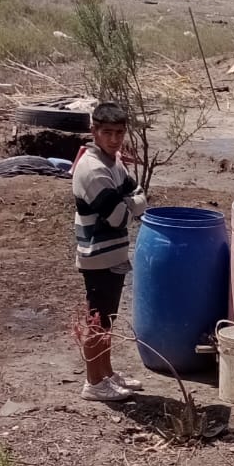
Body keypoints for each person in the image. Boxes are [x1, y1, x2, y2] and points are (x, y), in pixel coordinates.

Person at [72, 101, 147, 401]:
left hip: (113, 253)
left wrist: (131, 201)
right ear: (94, 132)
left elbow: (137, 193)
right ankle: (93, 382)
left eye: (119, 133)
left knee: (107, 320)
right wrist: (133, 202)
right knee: (97, 321)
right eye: (107, 133)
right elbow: (121, 215)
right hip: (97, 257)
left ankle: (106, 373)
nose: (114, 139)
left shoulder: (114, 163)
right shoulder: (91, 170)